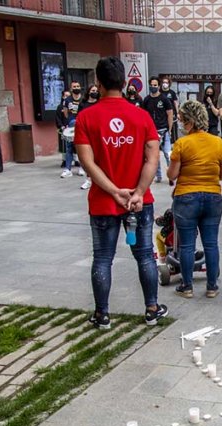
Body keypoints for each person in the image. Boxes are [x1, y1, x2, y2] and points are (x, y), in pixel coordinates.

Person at [73, 56, 167, 330]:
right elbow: (152, 159)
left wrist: (114, 191)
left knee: (102, 258)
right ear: (125, 82)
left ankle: (102, 315)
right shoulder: (142, 116)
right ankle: (151, 308)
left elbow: (88, 163)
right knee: (145, 254)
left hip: (104, 201)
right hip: (139, 203)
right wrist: (137, 193)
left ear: (98, 84)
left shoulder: (86, 117)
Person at [166, 100, 222, 298]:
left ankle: (187, 287)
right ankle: (212, 287)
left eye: (182, 120)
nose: (181, 124)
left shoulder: (182, 144)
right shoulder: (218, 142)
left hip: (186, 197)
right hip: (212, 196)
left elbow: (171, 175)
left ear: (190, 122)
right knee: (211, 243)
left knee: (186, 245)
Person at [142, 76, 174, 183]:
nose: (153, 87)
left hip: (163, 130)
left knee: (167, 153)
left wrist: (169, 129)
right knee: (155, 155)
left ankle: (171, 175)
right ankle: (158, 176)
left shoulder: (164, 99)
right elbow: (144, 115)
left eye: (155, 85)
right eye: (151, 85)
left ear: (158, 86)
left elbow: (170, 114)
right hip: (151, 131)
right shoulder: (146, 100)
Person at [61, 81, 87, 179]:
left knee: (82, 147)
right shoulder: (67, 100)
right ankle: (68, 169)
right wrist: (68, 123)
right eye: (74, 86)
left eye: (78, 86)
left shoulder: (84, 99)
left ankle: (82, 167)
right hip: (71, 127)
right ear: (71, 89)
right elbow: (65, 113)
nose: (76, 88)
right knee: (69, 148)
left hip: (82, 126)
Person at [160, 77, 180, 146]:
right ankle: (163, 144)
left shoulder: (172, 93)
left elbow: (175, 103)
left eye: (166, 82)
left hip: (172, 114)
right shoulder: (159, 92)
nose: (165, 84)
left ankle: (173, 143)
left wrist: (177, 113)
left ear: (169, 84)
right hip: (162, 114)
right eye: (163, 82)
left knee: (173, 129)